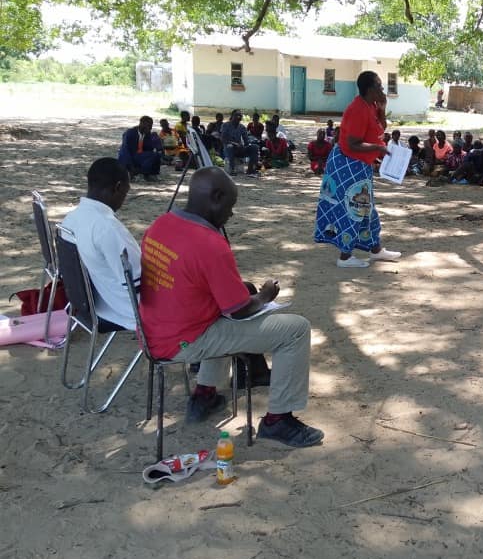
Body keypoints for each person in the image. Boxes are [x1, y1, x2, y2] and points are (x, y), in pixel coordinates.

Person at [139, 167, 323, 446]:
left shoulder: (161, 224)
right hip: (185, 343)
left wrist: (246, 293)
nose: (231, 214)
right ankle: (278, 421)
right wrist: (264, 296)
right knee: (296, 329)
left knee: (224, 311)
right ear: (216, 197)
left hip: (154, 331)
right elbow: (238, 309)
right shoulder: (210, 243)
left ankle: (205, 394)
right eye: (230, 206)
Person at [314, 70, 402, 269]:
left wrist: (382, 109)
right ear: (370, 89)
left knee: (367, 209)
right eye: (379, 86)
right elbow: (353, 144)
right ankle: (344, 257)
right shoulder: (357, 109)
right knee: (354, 207)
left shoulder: (371, 106)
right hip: (348, 164)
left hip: (360, 166)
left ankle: (375, 249)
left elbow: (381, 128)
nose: (382, 90)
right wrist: (378, 148)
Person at [60, 158, 140, 330]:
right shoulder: (107, 228)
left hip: (93, 302)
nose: (123, 200)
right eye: (126, 193)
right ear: (118, 187)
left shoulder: (71, 219)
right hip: (126, 310)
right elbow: (138, 281)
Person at [117, 115, 162, 181]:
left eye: (151, 126)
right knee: (152, 156)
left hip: (139, 155)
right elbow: (125, 151)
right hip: (129, 157)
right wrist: (130, 167)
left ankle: (150, 174)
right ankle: (134, 172)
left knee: (156, 155)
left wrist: (155, 141)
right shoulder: (130, 133)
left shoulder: (147, 134)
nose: (151, 128)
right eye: (149, 125)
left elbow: (149, 149)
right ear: (142, 124)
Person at [221, 110, 260, 177]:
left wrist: (245, 146)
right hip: (228, 149)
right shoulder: (225, 125)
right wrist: (234, 143)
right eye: (237, 115)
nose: (239, 116)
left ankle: (250, 169)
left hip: (239, 149)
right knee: (230, 147)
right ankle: (232, 169)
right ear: (232, 116)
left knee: (255, 147)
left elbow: (246, 141)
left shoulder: (242, 127)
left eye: (240, 115)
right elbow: (223, 139)